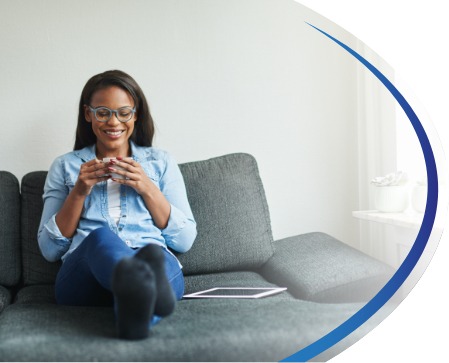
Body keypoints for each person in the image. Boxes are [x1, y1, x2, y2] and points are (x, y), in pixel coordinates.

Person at [37, 70, 197, 340]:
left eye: (124, 112)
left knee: (155, 254)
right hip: (85, 279)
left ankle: (135, 317)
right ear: (88, 114)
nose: (114, 122)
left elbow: (184, 240)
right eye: (103, 112)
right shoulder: (65, 166)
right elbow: (49, 249)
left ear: (135, 114)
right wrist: (79, 191)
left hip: (151, 259)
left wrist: (146, 186)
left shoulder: (160, 162)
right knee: (103, 239)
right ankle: (144, 287)